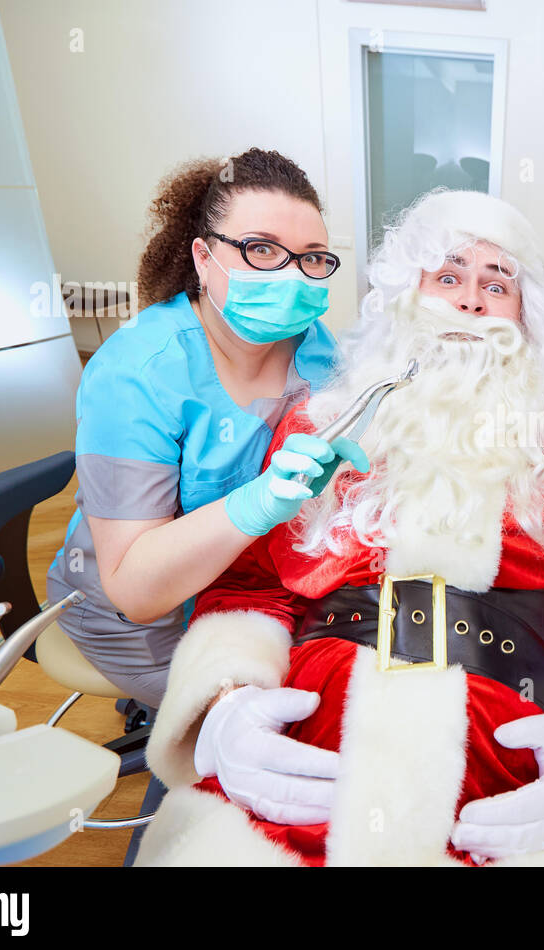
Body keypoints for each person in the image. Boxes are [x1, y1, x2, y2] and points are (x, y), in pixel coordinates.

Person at [134, 189, 544, 866]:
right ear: (405, 298)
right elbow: (253, 584)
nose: (472, 301)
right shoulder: (323, 421)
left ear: (526, 313)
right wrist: (225, 712)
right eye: (447, 277)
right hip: (316, 738)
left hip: (510, 752)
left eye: (497, 284)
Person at [45, 148, 366, 710]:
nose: (292, 276)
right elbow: (134, 588)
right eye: (261, 249)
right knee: (289, 717)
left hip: (253, 588)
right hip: (141, 619)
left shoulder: (314, 346)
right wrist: (255, 504)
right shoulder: (138, 374)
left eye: (313, 258)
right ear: (202, 256)